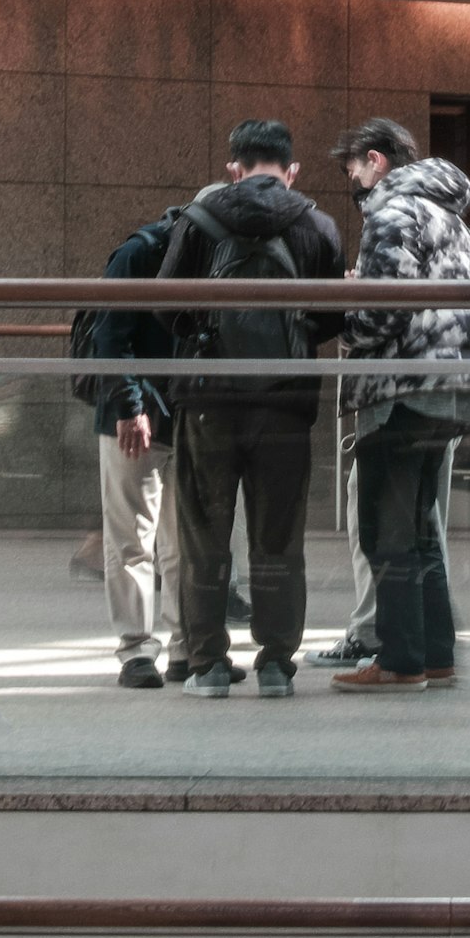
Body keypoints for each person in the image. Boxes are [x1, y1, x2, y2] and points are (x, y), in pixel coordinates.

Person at [154, 119, 347, 700]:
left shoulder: (200, 219)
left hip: (209, 399)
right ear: (291, 172)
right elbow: (334, 316)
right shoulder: (316, 223)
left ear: (232, 168)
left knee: (204, 537)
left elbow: (166, 305)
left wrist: (208, 337)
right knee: (279, 538)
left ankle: (209, 664)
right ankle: (275, 665)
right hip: (284, 402)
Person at [323, 119, 470, 694]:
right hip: (458, 386)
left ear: (375, 161)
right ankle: (435, 654)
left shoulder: (392, 210)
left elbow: (384, 314)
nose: (353, 183)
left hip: (407, 389)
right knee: (424, 524)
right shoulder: (449, 215)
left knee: (385, 525)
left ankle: (400, 661)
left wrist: (345, 309)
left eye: (353, 169)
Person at [81, 203, 187, 689]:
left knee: (182, 540)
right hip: (135, 412)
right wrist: (129, 404)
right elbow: (111, 335)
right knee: (132, 538)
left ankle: (187, 647)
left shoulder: (209, 252)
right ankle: (137, 651)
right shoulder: (142, 252)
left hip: (185, 409)